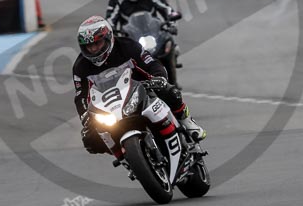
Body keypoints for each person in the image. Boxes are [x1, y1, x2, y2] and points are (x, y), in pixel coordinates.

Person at [73, 16, 205, 154]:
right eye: (89, 46)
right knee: (90, 140)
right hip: (110, 107)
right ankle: (126, 159)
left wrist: (158, 78)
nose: (93, 49)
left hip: (142, 90)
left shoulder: (128, 46)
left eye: (97, 43)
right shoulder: (80, 67)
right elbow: (80, 96)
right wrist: (84, 116)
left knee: (169, 91)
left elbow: (152, 64)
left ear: (109, 38)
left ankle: (187, 121)